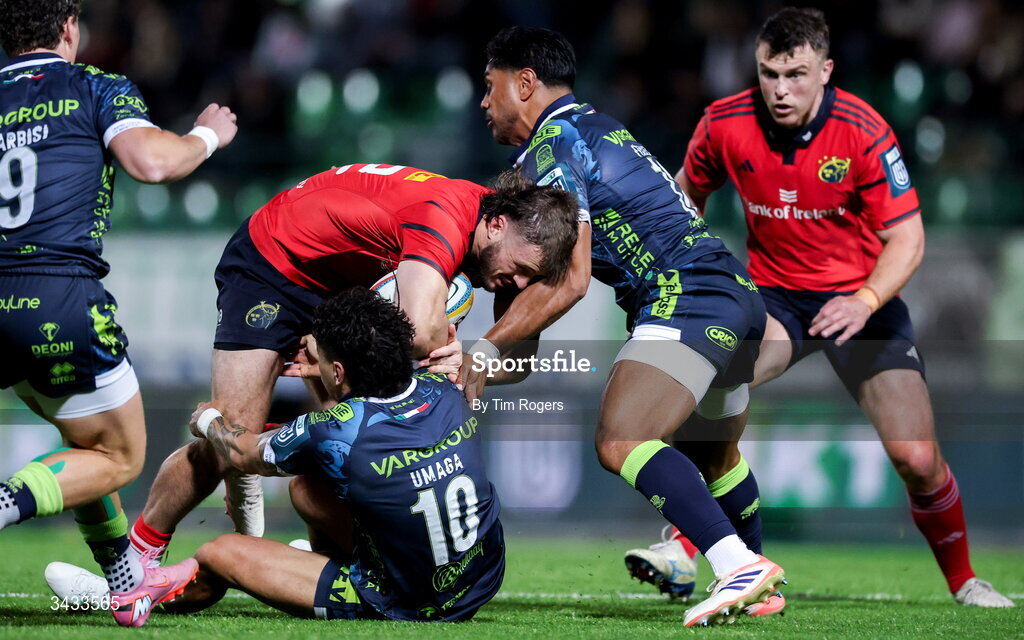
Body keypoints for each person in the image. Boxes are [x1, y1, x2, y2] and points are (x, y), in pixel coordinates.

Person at [625, 7, 1014, 610]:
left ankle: (966, 580)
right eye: (769, 74)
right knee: (717, 391)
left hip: (863, 304)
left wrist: (864, 299)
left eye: (797, 74)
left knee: (916, 458)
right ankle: (684, 548)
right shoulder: (724, 124)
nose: (781, 90)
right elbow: (685, 201)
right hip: (775, 299)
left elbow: (907, 239)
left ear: (826, 70)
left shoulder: (863, 131)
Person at [59, 163, 577, 594]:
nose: (519, 285)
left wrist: (470, 355)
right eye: (522, 270)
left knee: (347, 440)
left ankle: (332, 552)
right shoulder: (444, 219)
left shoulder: (503, 254)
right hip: (276, 262)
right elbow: (417, 336)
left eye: (532, 279)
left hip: (345, 282)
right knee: (234, 432)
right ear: (496, 224)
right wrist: (455, 348)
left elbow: (519, 363)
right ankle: (134, 564)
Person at [474, 26, 785, 627]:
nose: (484, 104)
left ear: (526, 83)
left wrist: (483, 351)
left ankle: (735, 565)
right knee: (715, 454)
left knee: (620, 439)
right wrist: (504, 348)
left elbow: (572, 278)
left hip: (685, 294)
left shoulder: (553, 143)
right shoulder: (593, 126)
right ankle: (757, 579)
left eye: (490, 88)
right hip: (734, 292)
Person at [0, 0, 238, 627]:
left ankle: (125, 581)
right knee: (118, 456)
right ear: (70, 28)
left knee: (83, 438)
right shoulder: (94, 85)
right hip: (57, 296)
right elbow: (153, 162)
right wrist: (208, 133)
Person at [176, 288, 505, 622]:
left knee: (218, 554)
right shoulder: (448, 385)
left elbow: (244, 453)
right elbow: (351, 436)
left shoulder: (327, 431)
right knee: (308, 488)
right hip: (482, 576)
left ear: (337, 371)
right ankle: (330, 560)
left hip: (407, 600)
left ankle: (133, 600)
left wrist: (208, 421)